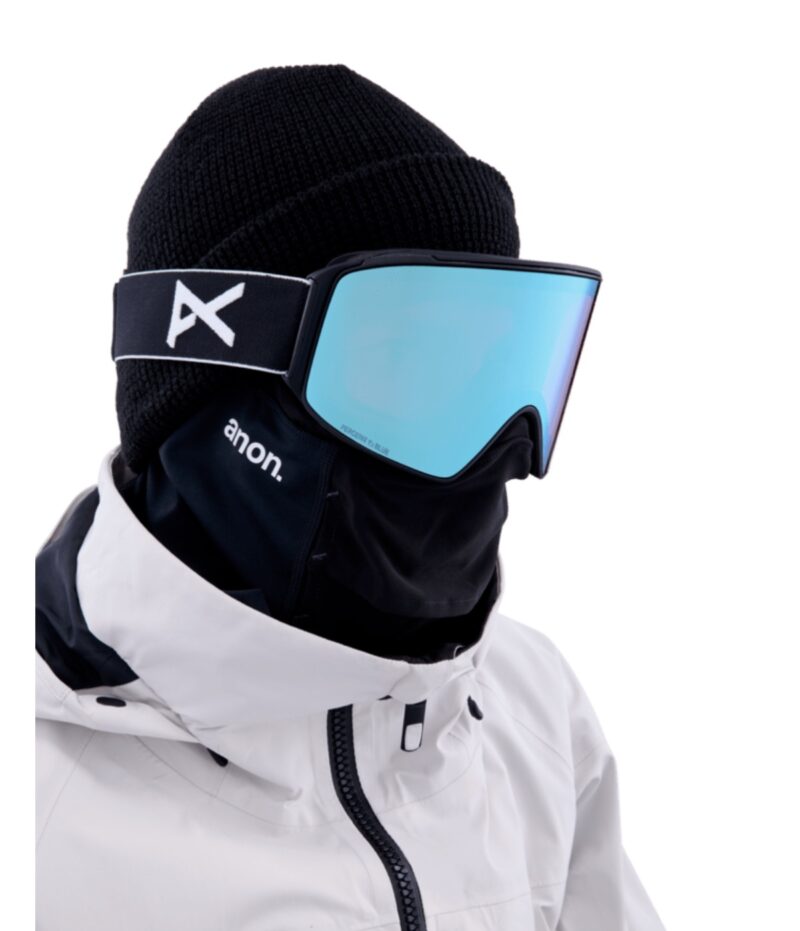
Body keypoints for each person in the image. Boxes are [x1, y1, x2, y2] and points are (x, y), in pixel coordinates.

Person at [35, 64, 665, 930]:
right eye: (411, 363)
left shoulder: (530, 704)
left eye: (501, 367)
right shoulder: (40, 804)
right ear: (214, 369)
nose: (497, 450)